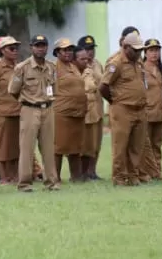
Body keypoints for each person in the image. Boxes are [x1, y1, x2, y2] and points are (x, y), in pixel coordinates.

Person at [100, 34, 149, 186]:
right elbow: (103, 86)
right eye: (135, 50)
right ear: (125, 47)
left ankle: (133, 175)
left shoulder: (138, 63)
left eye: (140, 50)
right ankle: (119, 177)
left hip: (139, 109)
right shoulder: (116, 63)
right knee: (120, 146)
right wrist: (115, 102)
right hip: (122, 109)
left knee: (136, 145)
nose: (139, 53)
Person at [10, 36, 57, 191]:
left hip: (48, 108)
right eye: (37, 46)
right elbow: (13, 91)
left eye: (43, 45)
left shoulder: (51, 67)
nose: (41, 48)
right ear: (31, 47)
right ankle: (24, 183)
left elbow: (54, 88)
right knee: (27, 148)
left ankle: (52, 182)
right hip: (30, 109)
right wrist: (28, 101)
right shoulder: (22, 68)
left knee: (49, 147)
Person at [0, 37, 22, 184]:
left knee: (15, 146)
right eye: (11, 48)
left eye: (16, 48)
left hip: (18, 112)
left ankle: (14, 175)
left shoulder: (19, 67)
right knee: (2, 146)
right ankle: (3, 177)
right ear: (2, 51)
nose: (15, 51)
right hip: (1, 112)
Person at [52, 38, 87, 183]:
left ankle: (76, 176)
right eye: (64, 50)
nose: (68, 53)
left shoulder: (73, 67)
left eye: (70, 50)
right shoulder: (54, 68)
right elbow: (49, 87)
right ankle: (55, 177)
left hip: (77, 112)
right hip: (61, 112)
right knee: (58, 146)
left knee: (75, 146)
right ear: (57, 52)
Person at [78, 35, 106, 180]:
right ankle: (82, 172)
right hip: (85, 110)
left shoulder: (98, 64)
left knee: (96, 143)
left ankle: (92, 171)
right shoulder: (77, 65)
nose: (90, 52)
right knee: (85, 144)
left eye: (92, 49)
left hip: (98, 109)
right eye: (87, 49)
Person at [141, 39, 162, 182]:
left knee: (157, 143)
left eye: (157, 50)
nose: (154, 53)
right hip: (147, 110)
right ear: (145, 52)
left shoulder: (161, 69)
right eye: (151, 50)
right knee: (147, 144)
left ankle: (157, 169)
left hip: (159, 110)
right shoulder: (142, 69)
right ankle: (147, 171)